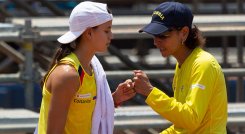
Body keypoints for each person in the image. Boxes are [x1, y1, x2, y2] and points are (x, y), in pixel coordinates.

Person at [35, 1, 135, 134]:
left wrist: (115, 98)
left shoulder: (91, 66)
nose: (111, 36)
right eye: (107, 30)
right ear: (89, 33)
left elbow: (82, 110)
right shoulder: (67, 75)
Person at [133, 2, 227, 133]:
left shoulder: (203, 64)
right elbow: (182, 126)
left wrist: (150, 91)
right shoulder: (184, 64)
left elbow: (191, 119)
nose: (155, 42)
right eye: (154, 36)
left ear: (183, 33)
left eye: (162, 35)